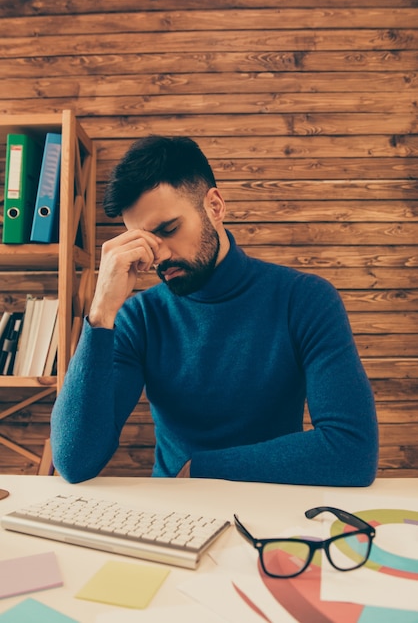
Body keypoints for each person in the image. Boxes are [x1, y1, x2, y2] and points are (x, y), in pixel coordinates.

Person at [50, 135, 379, 486]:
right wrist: (101, 313)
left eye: (168, 229)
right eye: (144, 240)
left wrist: (204, 469)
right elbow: (75, 461)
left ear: (215, 206)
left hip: (275, 505)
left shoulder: (304, 299)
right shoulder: (140, 317)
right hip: (174, 516)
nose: (158, 255)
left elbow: (352, 449)